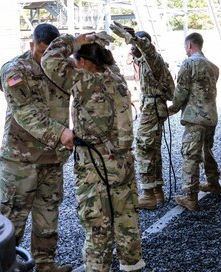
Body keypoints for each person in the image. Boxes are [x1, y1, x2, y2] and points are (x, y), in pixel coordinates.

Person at [41, 32, 145, 271]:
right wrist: (94, 44)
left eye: (76, 60)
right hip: (123, 164)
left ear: (85, 62)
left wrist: (75, 40)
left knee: (98, 229)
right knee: (127, 222)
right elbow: (108, 63)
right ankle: (133, 267)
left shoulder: (85, 82)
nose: (73, 65)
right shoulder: (116, 78)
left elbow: (49, 61)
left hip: (95, 169)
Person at [0, 23, 73, 272]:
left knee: (48, 214)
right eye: (42, 52)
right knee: (11, 218)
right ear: (32, 46)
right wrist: (60, 133)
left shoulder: (62, 68)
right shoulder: (14, 69)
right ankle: (3, 267)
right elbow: (25, 111)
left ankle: (45, 263)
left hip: (52, 159)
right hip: (21, 161)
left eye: (52, 53)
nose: (46, 58)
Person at [111, 22, 175, 210]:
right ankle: (156, 191)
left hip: (152, 108)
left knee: (144, 148)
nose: (133, 50)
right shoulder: (144, 61)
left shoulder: (152, 58)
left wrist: (135, 40)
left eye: (134, 47)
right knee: (153, 150)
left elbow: (147, 49)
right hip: (152, 107)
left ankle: (148, 194)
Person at [168, 32, 221, 211]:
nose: (185, 50)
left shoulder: (188, 63)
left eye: (185, 47)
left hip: (195, 118)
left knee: (190, 155)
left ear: (189, 45)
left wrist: (173, 108)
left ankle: (190, 197)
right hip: (211, 117)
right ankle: (214, 183)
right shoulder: (214, 67)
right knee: (207, 150)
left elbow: (182, 90)